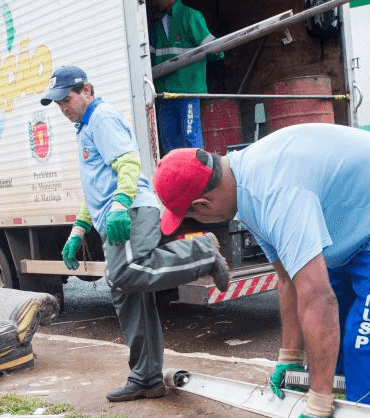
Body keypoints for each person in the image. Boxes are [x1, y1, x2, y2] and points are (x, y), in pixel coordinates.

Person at [151, 123, 370, 417]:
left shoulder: (274, 194)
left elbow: (318, 298)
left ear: (202, 206)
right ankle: (334, 399)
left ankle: (351, 408)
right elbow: (287, 276)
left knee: (366, 344)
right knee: (330, 348)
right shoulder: (243, 187)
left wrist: (319, 400)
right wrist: (291, 356)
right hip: (364, 219)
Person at [40, 65, 232, 403]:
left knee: (126, 273)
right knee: (126, 293)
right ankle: (146, 378)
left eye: (66, 99)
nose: (63, 107)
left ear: (87, 89)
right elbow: (95, 189)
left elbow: (128, 163)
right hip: (115, 214)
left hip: (130, 212)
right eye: (58, 104)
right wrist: (78, 230)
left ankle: (202, 253)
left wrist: (120, 204)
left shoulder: (101, 117)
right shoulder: (84, 127)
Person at [150, 0, 224, 153]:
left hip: (187, 92)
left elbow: (216, 51)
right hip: (165, 95)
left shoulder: (191, 17)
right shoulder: (156, 25)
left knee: (191, 140)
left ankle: (198, 175)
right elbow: (146, 61)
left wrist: (218, 50)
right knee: (170, 145)